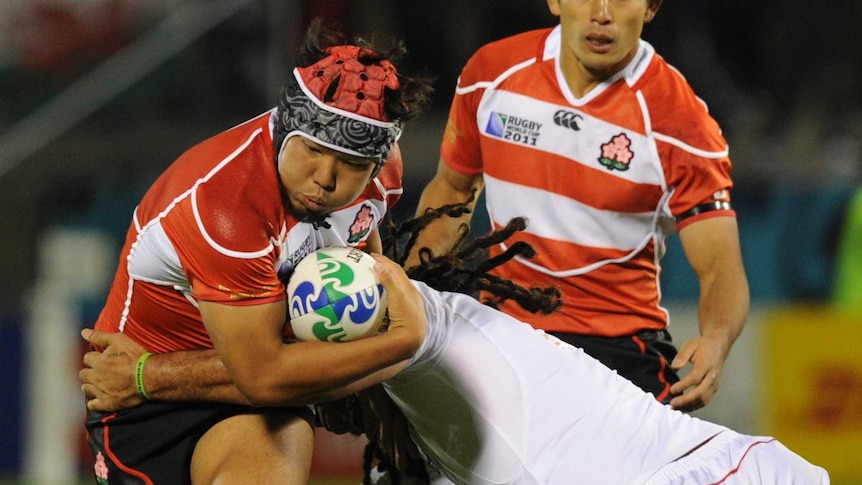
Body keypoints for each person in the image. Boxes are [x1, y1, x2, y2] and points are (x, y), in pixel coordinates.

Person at [80, 228, 828, 484]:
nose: (335, 405)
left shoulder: (427, 322)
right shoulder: (431, 436)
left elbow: (305, 351)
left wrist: (149, 376)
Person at [81, 19, 434, 484]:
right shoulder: (226, 204)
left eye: (350, 164)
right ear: (283, 130)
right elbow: (264, 375)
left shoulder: (382, 177)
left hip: (235, 398)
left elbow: (352, 316)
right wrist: (403, 344)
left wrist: (374, 380)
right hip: (143, 407)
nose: (325, 179)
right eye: (311, 150)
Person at [408, 0, 750, 411]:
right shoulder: (491, 73)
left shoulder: (684, 127)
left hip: (617, 352)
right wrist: (409, 288)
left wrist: (715, 341)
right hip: (502, 335)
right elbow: (453, 188)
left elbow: (720, 269)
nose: (601, 13)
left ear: (652, 7)